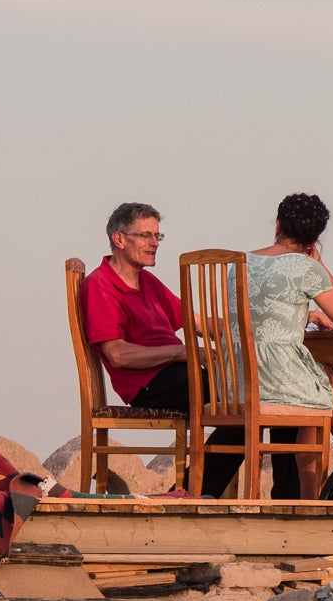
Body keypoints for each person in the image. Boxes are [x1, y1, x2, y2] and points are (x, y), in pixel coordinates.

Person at [82, 201, 244, 495]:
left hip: (179, 373)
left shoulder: (148, 282)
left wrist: (250, 325)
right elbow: (117, 354)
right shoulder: (99, 286)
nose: (154, 243)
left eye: (157, 236)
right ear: (119, 239)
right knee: (241, 403)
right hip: (149, 384)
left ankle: (289, 493)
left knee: (264, 395)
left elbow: (197, 323)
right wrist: (182, 352)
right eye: (146, 235)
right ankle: (191, 493)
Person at [238, 192, 333, 497]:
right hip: (274, 382)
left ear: (278, 224)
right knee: (326, 383)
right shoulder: (304, 267)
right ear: (314, 238)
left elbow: (261, 319)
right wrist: (320, 264)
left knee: (322, 380)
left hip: (234, 380)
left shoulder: (238, 263)